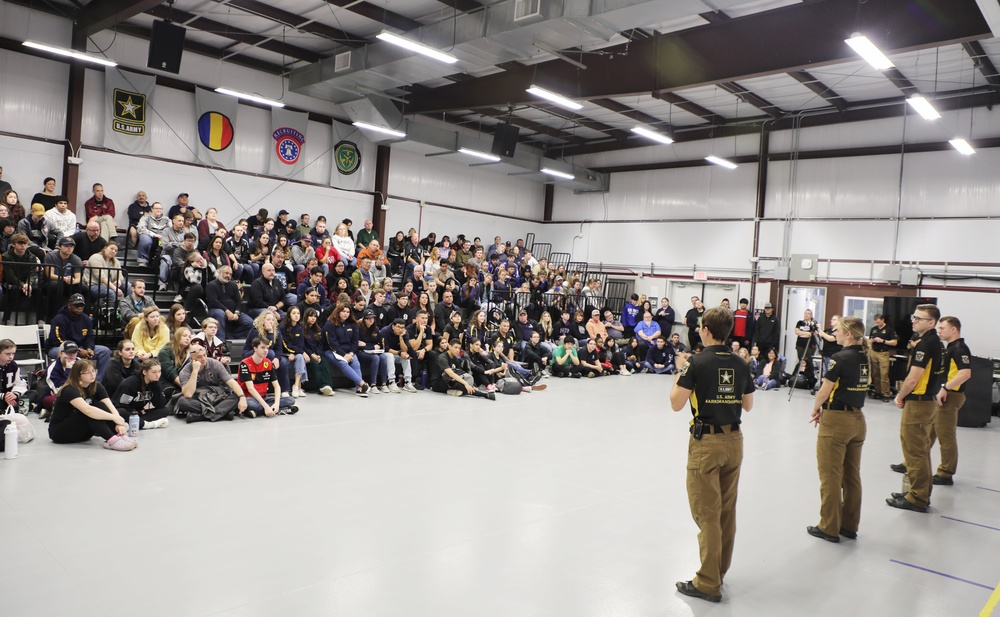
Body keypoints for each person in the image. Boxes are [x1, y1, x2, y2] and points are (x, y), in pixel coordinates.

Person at [669, 307, 754, 603]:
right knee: (726, 511)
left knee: (707, 513)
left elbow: (676, 403)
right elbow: (748, 404)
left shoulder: (696, 363)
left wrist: (682, 368)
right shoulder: (741, 363)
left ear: (705, 329)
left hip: (706, 445)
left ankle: (707, 582)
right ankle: (718, 569)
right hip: (734, 441)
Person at [806, 315, 871, 543]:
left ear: (849, 335)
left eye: (839, 330)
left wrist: (816, 408)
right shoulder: (866, 356)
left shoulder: (839, 358)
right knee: (852, 475)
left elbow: (824, 390)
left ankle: (829, 526)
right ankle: (849, 525)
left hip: (837, 421)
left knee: (830, 475)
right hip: (858, 420)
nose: (836, 334)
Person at [894, 316, 972, 487]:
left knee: (946, 435)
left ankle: (945, 472)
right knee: (928, 433)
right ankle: (911, 462)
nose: (939, 330)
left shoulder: (959, 349)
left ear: (954, 329)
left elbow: (965, 373)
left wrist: (946, 388)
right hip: (942, 394)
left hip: (950, 396)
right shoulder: (948, 348)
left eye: (943, 328)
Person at [886, 304, 945, 513]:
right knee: (920, 450)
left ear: (931, 322)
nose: (914, 321)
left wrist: (899, 395)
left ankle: (917, 497)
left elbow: (913, 378)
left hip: (919, 402)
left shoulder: (925, 345)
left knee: (914, 451)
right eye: (914, 317)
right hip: (926, 401)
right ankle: (918, 492)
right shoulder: (934, 342)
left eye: (919, 318)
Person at [47, 360, 137, 451]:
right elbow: (88, 410)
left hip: (84, 434)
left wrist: (119, 423)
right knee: (90, 412)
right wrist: (114, 418)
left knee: (101, 405)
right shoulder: (69, 390)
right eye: (87, 372)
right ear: (78, 375)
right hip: (61, 433)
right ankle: (112, 440)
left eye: (93, 371)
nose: (92, 374)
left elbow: (110, 406)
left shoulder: (96, 386)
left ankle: (119, 436)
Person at [46, 293, 110, 379]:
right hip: (59, 348)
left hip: (81, 347)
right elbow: (58, 340)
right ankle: (69, 380)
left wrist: (89, 349)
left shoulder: (86, 319)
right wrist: (77, 351)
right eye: (76, 305)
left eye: (81, 305)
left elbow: (90, 337)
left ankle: (96, 382)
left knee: (104, 351)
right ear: (69, 305)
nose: (79, 307)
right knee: (68, 353)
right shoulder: (59, 318)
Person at [179, 344, 248, 416]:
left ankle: (200, 416)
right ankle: (222, 413)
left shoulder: (215, 364)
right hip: (199, 399)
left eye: (205, 355)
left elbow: (231, 382)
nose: (203, 358)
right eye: (199, 357)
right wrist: (195, 371)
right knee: (183, 402)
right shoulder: (185, 371)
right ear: (191, 359)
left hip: (217, 397)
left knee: (236, 397)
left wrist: (242, 397)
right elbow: (188, 394)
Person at [239, 337, 298, 417]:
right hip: (250, 397)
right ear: (255, 349)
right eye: (262, 348)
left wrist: (276, 404)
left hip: (263, 398)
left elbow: (277, 386)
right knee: (250, 403)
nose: (266, 350)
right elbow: (250, 389)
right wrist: (266, 406)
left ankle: (258, 412)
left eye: (267, 348)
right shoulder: (245, 364)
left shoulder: (268, 363)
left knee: (290, 400)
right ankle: (279, 410)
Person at [323, 303, 371, 397]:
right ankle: (362, 383)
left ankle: (359, 389)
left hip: (349, 351)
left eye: (348, 312)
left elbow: (354, 341)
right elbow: (332, 343)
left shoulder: (352, 324)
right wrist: (343, 355)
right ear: (338, 312)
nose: (346, 314)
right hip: (332, 351)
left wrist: (352, 352)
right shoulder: (330, 324)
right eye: (343, 311)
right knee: (343, 363)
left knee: (356, 363)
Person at [112, 359, 170, 430]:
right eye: (154, 372)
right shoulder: (130, 383)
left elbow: (159, 405)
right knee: (121, 412)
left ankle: (133, 424)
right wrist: (136, 412)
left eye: (159, 371)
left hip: (140, 413)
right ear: (144, 372)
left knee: (165, 410)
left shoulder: (155, 383)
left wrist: (156, 387)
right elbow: (121, 405)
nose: (158, 375)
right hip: (127, 412)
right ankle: (148, 424)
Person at [430, 337, 494, 399]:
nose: (458, 350)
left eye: (459, 348)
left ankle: (453, 390)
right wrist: (466, 384)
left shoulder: (455, 358)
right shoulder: (442, 358)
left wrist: (471, 385)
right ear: (449, 347)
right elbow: (451, 374)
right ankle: (485, 395)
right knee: (461, 385)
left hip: (449, 379)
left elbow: (460, 372)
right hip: (438, 382)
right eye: (455, 347)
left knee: (464, 383)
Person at [205, 265, 253, 340]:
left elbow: (238, 301)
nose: (228, 276)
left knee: (250, 323)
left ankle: (231, 336)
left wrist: (236, 313)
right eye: (226, 273)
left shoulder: (233, 285)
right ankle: (221, 341)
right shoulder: (211, 285)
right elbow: (213, 302)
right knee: (220, 313)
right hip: (215, 310)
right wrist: (226, 311)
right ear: (219, 273)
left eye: (230, 274)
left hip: (233, 311)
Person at [43, 236, 83, 319]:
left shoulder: (76, 259)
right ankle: (53, 316)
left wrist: (73, 281)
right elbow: (49, 275)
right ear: (60, 247)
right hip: (51, 282)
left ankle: (83, 317)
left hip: (68, 283)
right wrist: (64, 278)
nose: (69, 248)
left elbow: (78, 278)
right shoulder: (51, 256)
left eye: (71, 246)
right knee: (57, 285)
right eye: (66, 246)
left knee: (84, 288)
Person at [2, 233, 41, 317]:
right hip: (11, 283)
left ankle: (40, 319)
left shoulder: (32, 257)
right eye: (20, 243)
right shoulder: (6, 256)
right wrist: (23, 285)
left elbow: (33, 273)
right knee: (15, 289)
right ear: (13, 244)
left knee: (37, 289)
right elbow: (9, 275)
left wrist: (28, 284)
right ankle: (6, 318)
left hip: (26, 283)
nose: (22, 245)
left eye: (25, 243)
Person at [868, 314, 898, 402]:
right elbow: (869, 341)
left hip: (883, 353)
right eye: (876, 322)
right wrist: (872, 340)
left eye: (878, 322)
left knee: (884, 374)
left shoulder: (889, 329)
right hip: (874, 352)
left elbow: (894, 342)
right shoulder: (874, 329)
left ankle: (886, 394)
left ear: (882, 320)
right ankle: (878, 392)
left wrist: (883, 341)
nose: (877, 324)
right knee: (875, 374)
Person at [280, 307, 309, 398]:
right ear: (289, 315)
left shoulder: (299, 327)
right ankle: (298, 387)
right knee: (301, 355)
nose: (296, 315)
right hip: (284, 353)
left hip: (295, 353)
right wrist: (294, 352)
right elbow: (285, 344)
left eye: (298, 313)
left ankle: (296, 386)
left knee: (300, 357)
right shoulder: (282, 327)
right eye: (294, 313)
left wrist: (297, 352)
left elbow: (301, 344)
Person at [158, 327, 192, 392]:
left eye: (189, 337)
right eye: (184, 336)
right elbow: (170, 372)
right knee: (173, 392)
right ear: (177, 337)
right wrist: (185, 387)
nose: (187, 338)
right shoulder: (165, 352)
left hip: (181, 380)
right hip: (165, 380)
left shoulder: (189, 353)